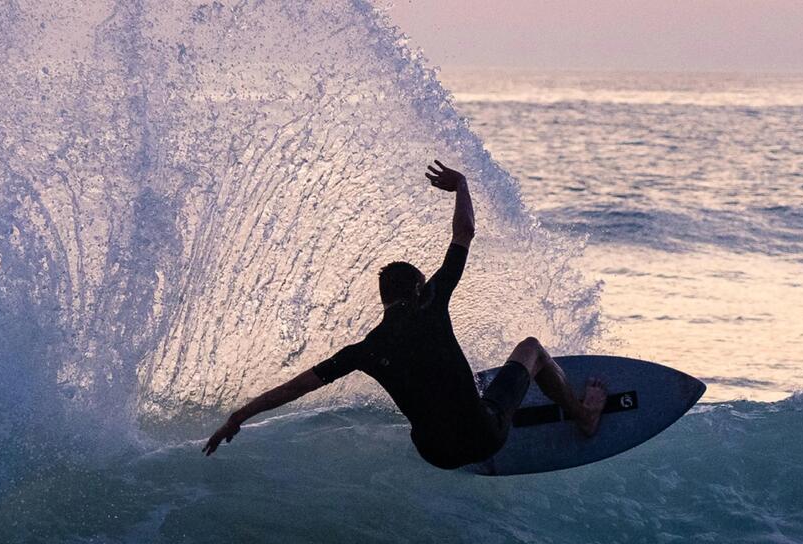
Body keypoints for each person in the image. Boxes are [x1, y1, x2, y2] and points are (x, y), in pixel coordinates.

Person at [202, 160, 607, 469]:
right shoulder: (430, 303)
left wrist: (237, 417)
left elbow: (293, 389)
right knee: (531, 348)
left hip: (435, 455)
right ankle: (584, 415)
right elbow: (464, 232)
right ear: (417, 289)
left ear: (383, 299)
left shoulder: (363, 350)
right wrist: (461, 184)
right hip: (485, 437)